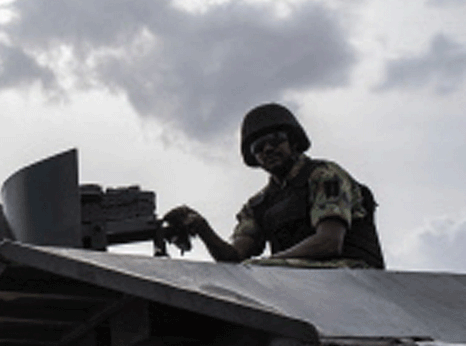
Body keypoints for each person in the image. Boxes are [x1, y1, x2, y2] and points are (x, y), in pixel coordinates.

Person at [165, 103, 385, 269]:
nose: (268, 149)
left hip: (354, 277)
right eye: (258, 147)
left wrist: (267, 264)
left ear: (294, 142)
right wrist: (202, 228)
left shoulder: (324, 175)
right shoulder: (258, 205)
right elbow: (233, 259)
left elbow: (329, 242)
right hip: (296, 284)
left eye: (276, 139)